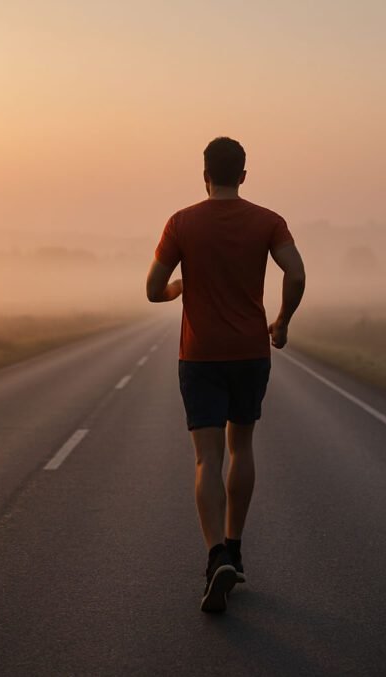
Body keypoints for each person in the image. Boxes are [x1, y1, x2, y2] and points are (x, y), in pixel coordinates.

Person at [146, 136, 306, 613]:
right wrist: (282, 323)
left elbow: (153, 290)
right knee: (242, 447)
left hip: (200, 356)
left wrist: (180, 286)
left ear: (203, 174)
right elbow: (295, 275)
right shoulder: (268, 221)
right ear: (243, 174)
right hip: (249, 352)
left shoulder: (181, 223)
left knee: (206, 459)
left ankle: (214, 551)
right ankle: (235, 548)